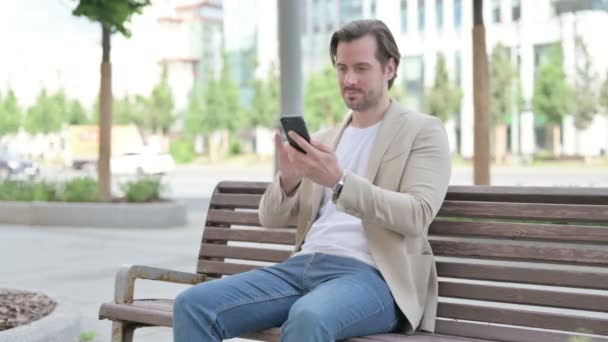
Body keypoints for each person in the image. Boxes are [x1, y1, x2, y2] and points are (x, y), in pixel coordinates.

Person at [173, 19, 451, 341]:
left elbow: (417, 215)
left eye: (361, 68)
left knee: (308, 317)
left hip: (373, 278)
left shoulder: (423, 130)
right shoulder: (324, 140)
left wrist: (340, 181)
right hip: (300, 268)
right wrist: (288, 181)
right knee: (193, 305)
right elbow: (270, 217)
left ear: (390, 68)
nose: (349, 79)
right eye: (342, 68)